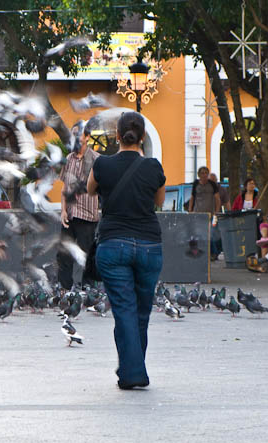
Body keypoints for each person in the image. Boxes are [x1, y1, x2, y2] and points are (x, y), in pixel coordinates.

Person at [87, 111, 166, 390]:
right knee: (141, 312)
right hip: (149, 246)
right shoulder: (154, 167)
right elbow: (158, 201)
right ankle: (133, 368)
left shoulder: (103, 165)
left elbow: (89, 188)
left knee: (124, 311)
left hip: (113, 245)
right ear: (142, 137)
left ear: (117, 136)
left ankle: (132, 372)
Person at [57, 121, 100, 289]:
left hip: (88, 215)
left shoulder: (97, 160)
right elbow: (64, 187)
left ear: (87, 137)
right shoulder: (68, 159)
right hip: (70, 214)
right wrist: (62, 211)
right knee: (63, 254)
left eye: (78, 134)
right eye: (73, 134)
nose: (75, 138)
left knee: (87, 256)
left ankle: (88, 292)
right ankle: (64, 290)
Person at [189, 167, 221, 260]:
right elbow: (192, 197)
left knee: (208, 234)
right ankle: (203, 252)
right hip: (197, 213)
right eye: (202, 173)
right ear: (199, 175)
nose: (204, 175)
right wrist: (190, 210)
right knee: (198, 234)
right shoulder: (196, 184)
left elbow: (217, 198)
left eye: (206, 173)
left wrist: (217, 211)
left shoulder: (212, 185)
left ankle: (213, 252)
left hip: (209, 213)